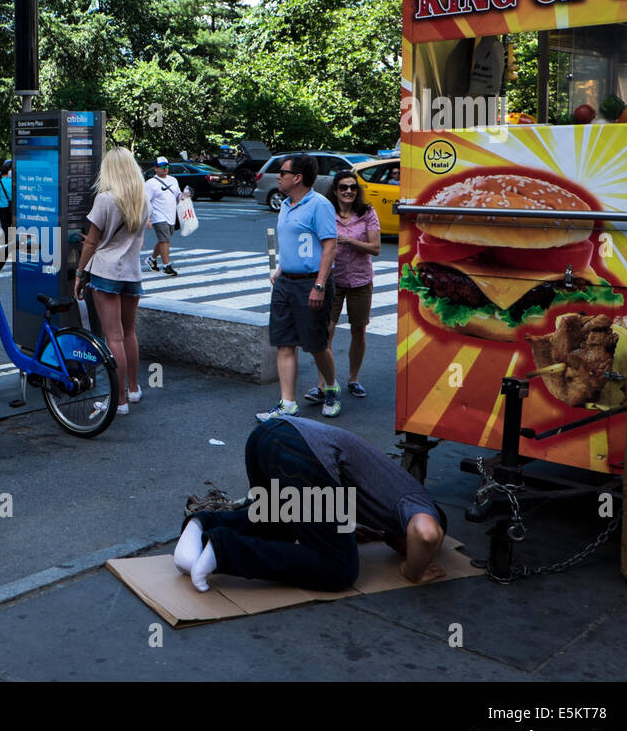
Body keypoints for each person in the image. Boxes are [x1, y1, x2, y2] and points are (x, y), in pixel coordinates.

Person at [173, 419, 448, 592]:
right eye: (406, 550)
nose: (404, 551)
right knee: (339, 571)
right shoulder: (419, 502)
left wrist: (342, 530)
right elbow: (426, 533)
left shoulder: (391, 501)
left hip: (269, 436)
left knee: (282, 524)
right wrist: (414, 570)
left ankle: (204, 524)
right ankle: (223, 551)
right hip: (303, 457)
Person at [257, 153, 341, 421]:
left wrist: (319, 284)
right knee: (284, 343)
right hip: (285, 283)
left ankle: (331, 388)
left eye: (282, 172)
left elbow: (329, 245)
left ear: (298, 177)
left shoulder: (320, 205)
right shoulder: (285, 204)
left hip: (311, 283)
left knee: (316, 344)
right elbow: (295, 241)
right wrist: (283, 267)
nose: (278, 176)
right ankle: (288, 403)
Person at [74, 146, 149, 415]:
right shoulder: (143, 199)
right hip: (132, 271)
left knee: (113, 338)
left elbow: (92, 241)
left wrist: (80, 273)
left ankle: (118, 402)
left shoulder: (105, 199)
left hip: (106, 272)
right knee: (129, 333)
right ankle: (133, 388)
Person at [307, 172, 380, 404]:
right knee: (327, 330)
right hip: (332, 280)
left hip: (360, 280)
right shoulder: (327, 213)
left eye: (352, 187)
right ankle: (324, 385)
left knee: (359, 330)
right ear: (335, 191)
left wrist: (348, 241)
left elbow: (375, 247)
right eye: (343, 187)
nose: (348, 191)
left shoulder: (367, 213)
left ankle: (353, 378)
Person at [144, 156, 181, 276]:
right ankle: (167, 266)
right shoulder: (150, 184)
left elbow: (178, 195)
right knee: (165, 240)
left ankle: (152, 259)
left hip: (171, 215)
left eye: (167, 166)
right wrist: (148, 218)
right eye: (162, 167)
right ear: (155, 168)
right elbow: (145, 202)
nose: (165, 169)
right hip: (158, 216)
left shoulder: (173, 180)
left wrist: (184, 196)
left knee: (164, 240)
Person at [0, 160, 14, 236]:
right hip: (12, 205)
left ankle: (6, 238)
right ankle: (12, 237)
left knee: (4, 223)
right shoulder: (12, 181)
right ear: (8, 172)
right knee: (11, 222)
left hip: (3, 206)